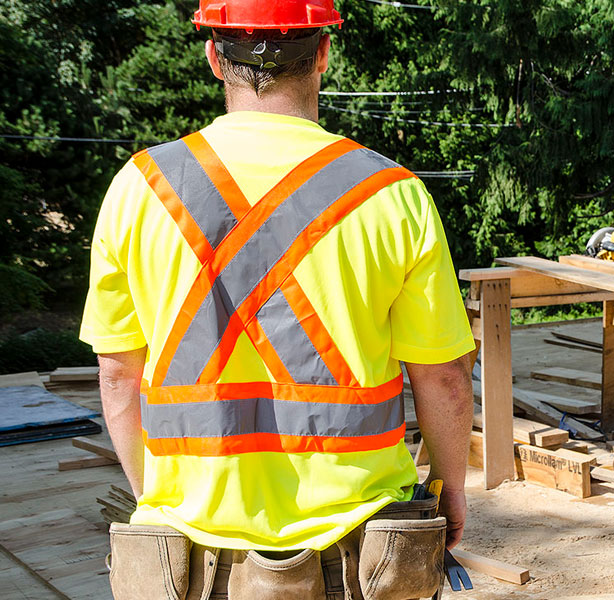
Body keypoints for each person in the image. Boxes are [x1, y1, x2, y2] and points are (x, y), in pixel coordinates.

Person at [79, 1, 475, 597]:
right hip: (358, 551)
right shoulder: (393, 194)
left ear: (215, 56)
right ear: (323, 53)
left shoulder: (138, 188)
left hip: (187, 553)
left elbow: (117, 376)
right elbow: (443, 376)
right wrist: (450, 490)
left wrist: (153, 497)